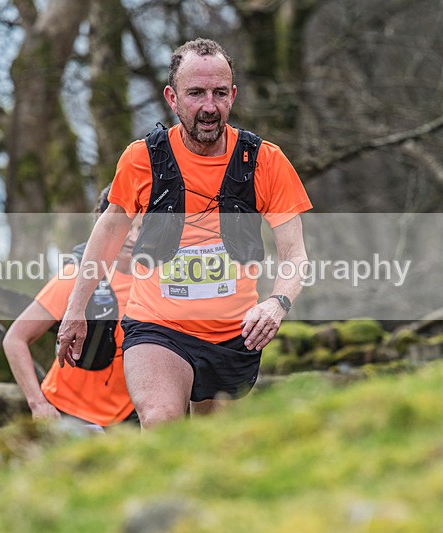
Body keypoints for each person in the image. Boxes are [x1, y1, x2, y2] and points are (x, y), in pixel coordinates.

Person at [57, 38, 311, 428]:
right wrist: (76, 310)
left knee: (216, 445)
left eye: (219, 93)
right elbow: (106, 234)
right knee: (161, 420)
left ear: (233, 96)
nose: (209, 106)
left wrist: (276, 304)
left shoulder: (265, 161)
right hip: (157, 325)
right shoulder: (142, 158)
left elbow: (295, 255)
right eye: (196, 94)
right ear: (172, 98)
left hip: (233, 334)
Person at [3, 186, 141, 427]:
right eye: (126, 226)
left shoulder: (156, 278)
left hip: (130, 415)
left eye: (142, 227)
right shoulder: (76, 276)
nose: (133, 237)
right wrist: (38, 404)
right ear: (104, 224)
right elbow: (14, 339)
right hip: (67, 412)